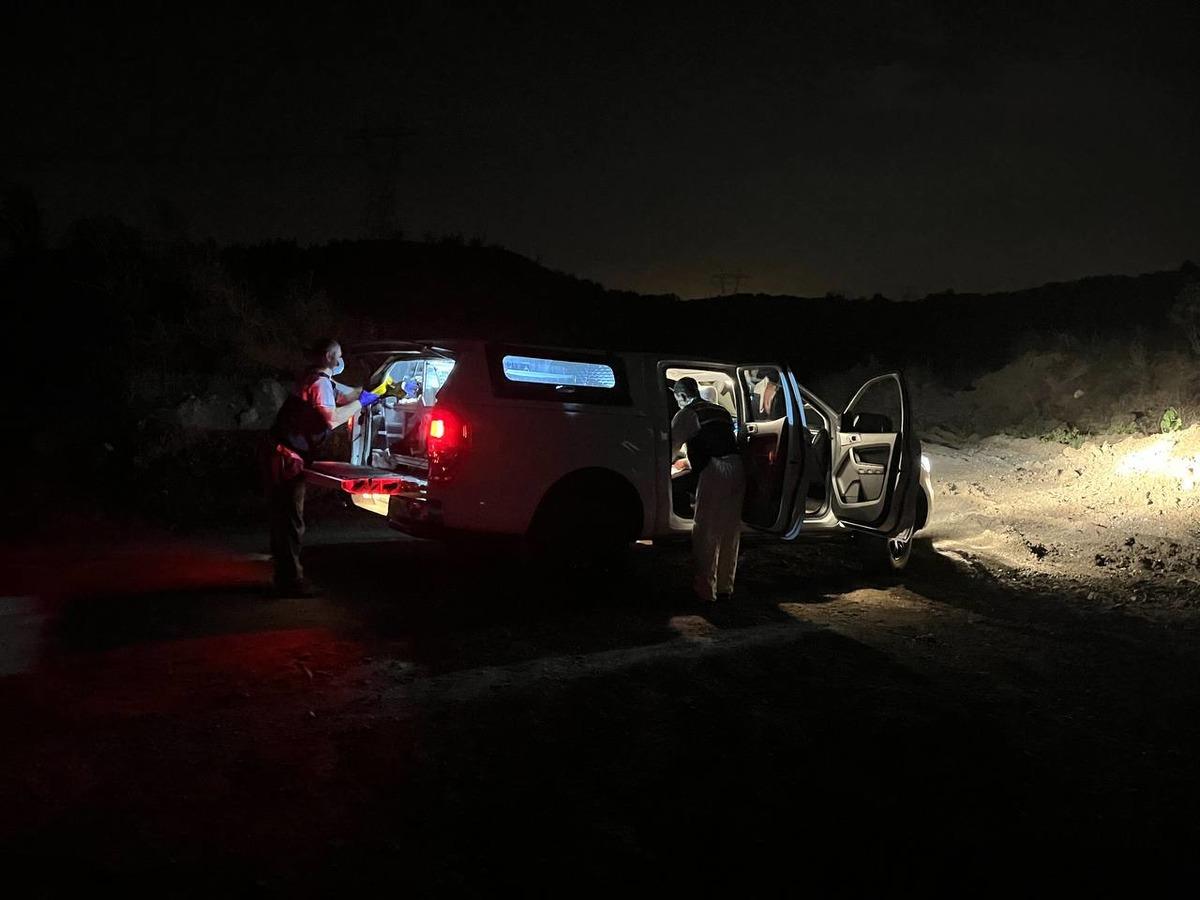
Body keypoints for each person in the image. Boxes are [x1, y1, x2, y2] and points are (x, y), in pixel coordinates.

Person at [263, 337, 382, 597]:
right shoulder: (318, 383)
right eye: (339, 354)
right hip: (287, 457)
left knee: (284, 518)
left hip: (286, 452)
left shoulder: (316, 378)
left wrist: (378, 390)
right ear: (329, 357)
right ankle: (290, 581)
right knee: (290, 519)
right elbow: (332, 419)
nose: (342, 359)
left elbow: (345, 393)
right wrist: (362, 403)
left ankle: (284, 575)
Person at [670, 376, 746, 603]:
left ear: (682, 395)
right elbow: (718, 439)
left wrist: (669, 465)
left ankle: (704, 591)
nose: (677, 403)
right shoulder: (720, 411)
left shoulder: (687, 414)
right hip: (737, 468)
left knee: (706, 530)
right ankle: (725, 588)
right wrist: (689, 460)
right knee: (730, 530)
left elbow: (671, 446)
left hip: (715, 470)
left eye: (677, 398)